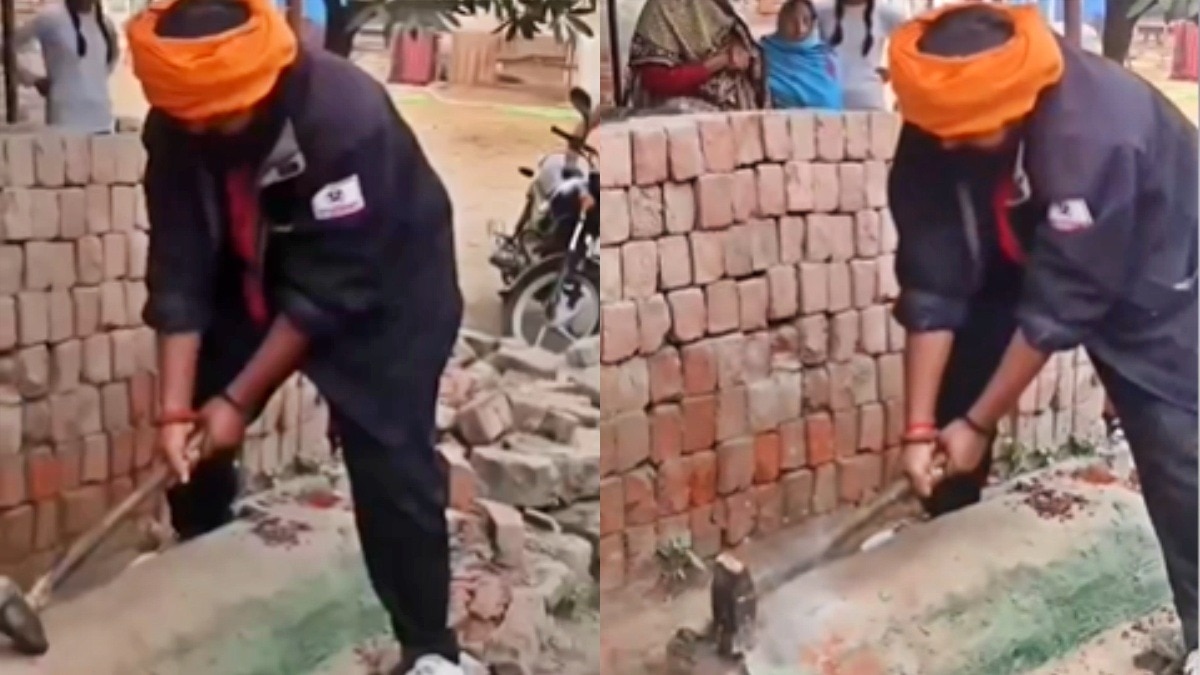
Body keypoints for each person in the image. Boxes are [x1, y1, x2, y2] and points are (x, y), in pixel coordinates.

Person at [125, 0, 465, 673]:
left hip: (386, 289)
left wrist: (241, 401)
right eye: (193, 121)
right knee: (197, 412)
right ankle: (206, 547)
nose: (210, 131)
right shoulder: (180, 124)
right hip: (260, 269)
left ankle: (429, 647)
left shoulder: (344, 117)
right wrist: (176, 410)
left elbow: (329, 294)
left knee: (391, 458)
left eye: (222, 116)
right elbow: (180, 264)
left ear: (259, 85)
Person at [887, 4, 1198, 670]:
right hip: (1018, 246)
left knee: (1178, 446)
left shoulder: (1099, 133)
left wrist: (975, 421)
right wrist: (922, 429)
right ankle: (950, 573)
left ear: (1018, 107)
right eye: (938, 131)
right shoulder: (937, 125)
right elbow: (932, 278)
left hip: (1155, 265)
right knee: (952, 392)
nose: (945, 146)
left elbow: (1062, 303)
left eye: (964, 132)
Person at [625, 0, 766, 112]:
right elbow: (654, 80)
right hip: (680, 119)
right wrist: (720, 61)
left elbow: (750, 55)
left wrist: (742, 54)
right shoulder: (662, 10)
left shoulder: (724, 7)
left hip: (736, 117)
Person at [10, 0, 119, 132]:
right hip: (65, 119)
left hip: (102, 118)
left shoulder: (105, 24)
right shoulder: (51, 17)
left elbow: (111, 59)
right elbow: (6, 48)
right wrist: (31, 79)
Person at [814, 0, 905, 110]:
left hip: (869, 100)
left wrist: (893, 73)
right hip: (827, 100)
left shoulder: (887, 13)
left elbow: (913, 51)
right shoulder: (819, 11)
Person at [762, 0, 843, 110]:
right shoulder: (761, 53)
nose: (800, 29)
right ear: (780, 22)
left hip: (826, 124)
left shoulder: (825, 55)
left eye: (806, 21)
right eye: (792, 21)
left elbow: (832, 98)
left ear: (813, 24)